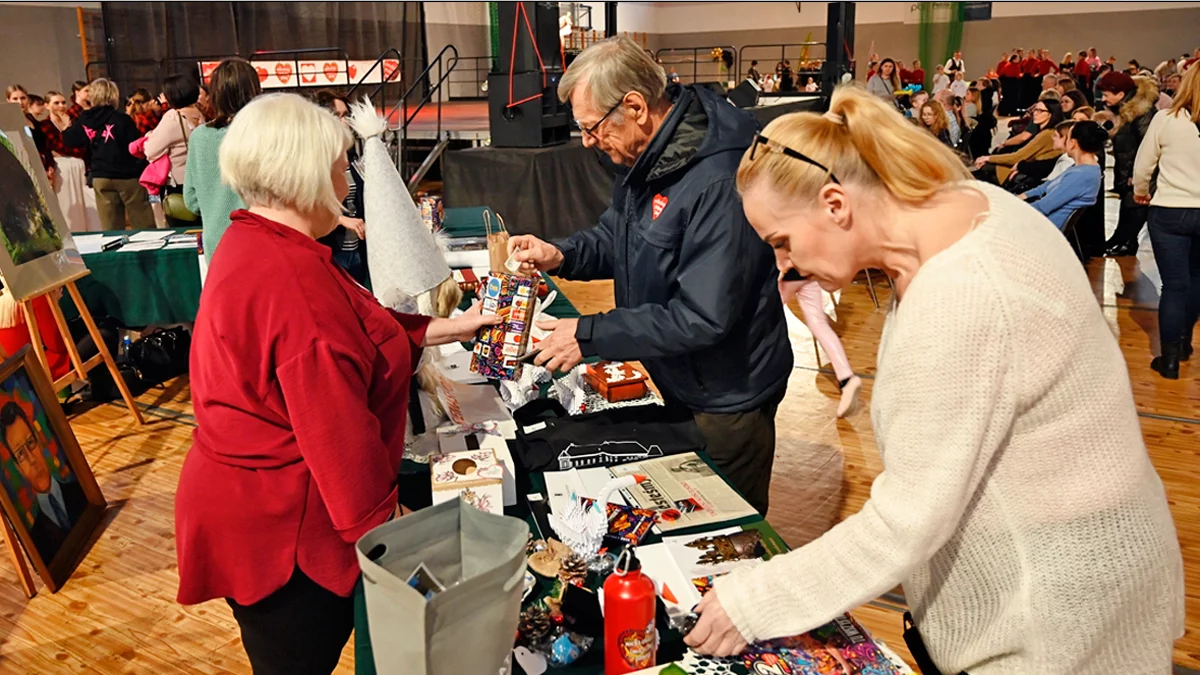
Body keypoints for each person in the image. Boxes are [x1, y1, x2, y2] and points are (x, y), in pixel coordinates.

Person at [684, 85, 1185, 674]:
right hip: (1073, 590)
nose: (783, 266)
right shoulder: (966, 206)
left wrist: (752, 601)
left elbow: (907, 520)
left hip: (1054, 628)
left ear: (835, 205)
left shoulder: (961, 292)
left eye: (781, 242)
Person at [175, 92, 498, 674]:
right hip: (284, 528)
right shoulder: (290, 280)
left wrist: (455, 325)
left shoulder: (258, 240)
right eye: (338, 164)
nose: (346, 178)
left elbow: (364, 328)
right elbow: (338, 438)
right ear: (305, 175)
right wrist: (397, 540)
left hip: (258, 506)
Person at [507, 37, 792, 515]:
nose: (590, 142)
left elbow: (702, 317)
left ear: (635, 106)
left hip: (727, 397)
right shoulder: (652, 154)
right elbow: (619, 236)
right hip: (678, 377)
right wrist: (561, 254)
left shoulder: (717, 182)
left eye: (592, 128)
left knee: (722, 522)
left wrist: (591, 333)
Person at [1133, 66, 1200, 379]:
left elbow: (1144, 163)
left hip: (1171, 209)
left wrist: (1141, 191)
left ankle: (1170, 359)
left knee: (1174, 285)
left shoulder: (1166, 119)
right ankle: (1185, 342)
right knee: (1197, 281)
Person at [184, 58, 261, 262]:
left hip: (216, 244)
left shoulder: (199, 137)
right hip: (260, 241)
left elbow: (191, 200)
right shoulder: (264, 133)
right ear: (254, 90)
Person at [1, 402, 88, 563]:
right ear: (18, 468)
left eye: (30, 443)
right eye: (20, 454)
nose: (32, 459)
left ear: (39, 442)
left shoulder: (82, 492)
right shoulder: (35, 539)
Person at [62, 78, 154, 230]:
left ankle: (115, 253)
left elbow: (70, 141)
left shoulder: (84, 120)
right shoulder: (122, 119)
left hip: (101, 176)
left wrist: (66, 128)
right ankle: (149, 252)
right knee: (143, 224)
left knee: (111, 228)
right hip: (128, 175)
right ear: (113, 96)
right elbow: (136, 146)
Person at [1098, 72, 1159, 256]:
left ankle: (1125, 242)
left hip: (1138, 172)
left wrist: (1138, 173)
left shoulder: (1142, 114)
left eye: (1107, 94)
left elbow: (1147, 145)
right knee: (1128, 206)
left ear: (1121, 94)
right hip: (1128, 170)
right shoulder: (1127, 112)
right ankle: (1122, 240)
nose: (1104, 99)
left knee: (1134, 207)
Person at [314, 89, 369, 286]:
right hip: (332, 250)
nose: (344, 122)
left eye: (346, 115)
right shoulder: (315, 161)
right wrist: (341, 220)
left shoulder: (351, 156)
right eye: (337, 116)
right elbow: (310, 205)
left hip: (356, 249)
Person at [145, 74, 206, 227]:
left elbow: (151, 150)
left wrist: (149, 136)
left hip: (179, 184)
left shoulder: (174, 116)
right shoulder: (199, 113)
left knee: (182, 232)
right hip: (201, 181)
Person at [1020, 120, 1104, 229]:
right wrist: (1022, 196)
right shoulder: (1082, 168)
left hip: (1043, 228)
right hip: (1041, 223)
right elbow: (1047, 186)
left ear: (1072, 143)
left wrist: (1013, 209)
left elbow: (1043, 207)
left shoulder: (1082, 175)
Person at [42, 91, 99, 232]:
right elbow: (56, 146)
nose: (61, 106)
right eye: (56, 103)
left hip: (80, 167)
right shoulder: (45, 125)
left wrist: (68, 132)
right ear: (47, 105)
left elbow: (83, 146)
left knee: (88, 205)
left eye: (63, 102)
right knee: (67, 202)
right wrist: (68, 144)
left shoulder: (74, 122)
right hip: (62, 168)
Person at [975, 99, 1064, 184]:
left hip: (1031, 172)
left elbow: (1017, 157)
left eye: (1040, 111)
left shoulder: (1047, 134)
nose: (1035, 114)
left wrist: (987, 158)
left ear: (1050, 114)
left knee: (983, 169)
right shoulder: (1045, 132)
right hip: (1027, 168)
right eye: (1035, 110)